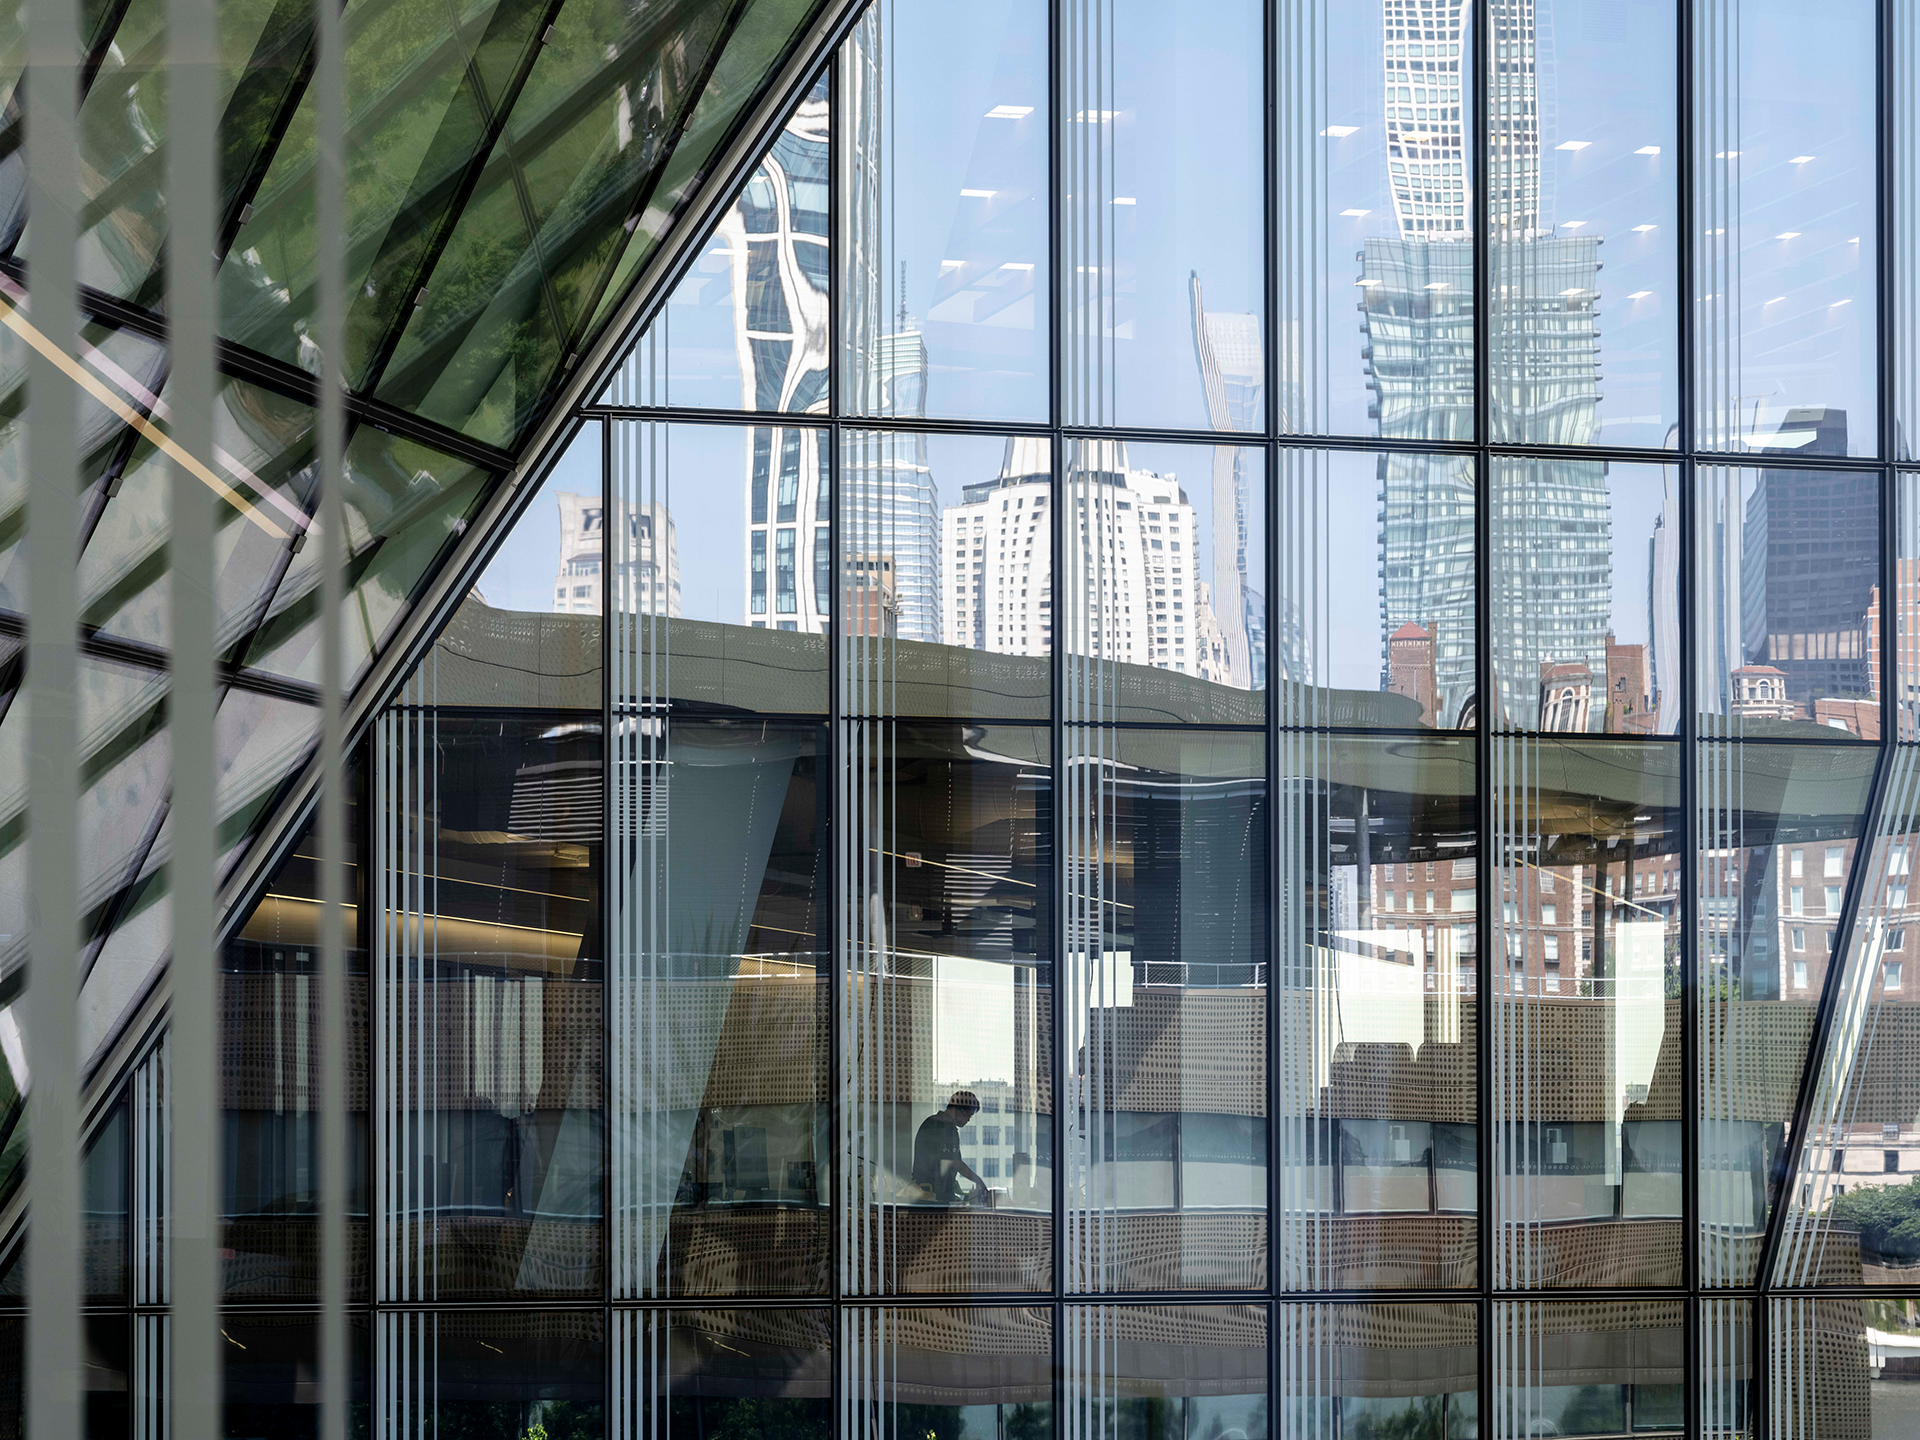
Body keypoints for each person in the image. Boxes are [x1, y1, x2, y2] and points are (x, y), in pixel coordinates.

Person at [910, 1091, 993, 1206]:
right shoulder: (945, 1127)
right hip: (933, 1197)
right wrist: (979, 1181)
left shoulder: (932, 1122)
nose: (968, 1120)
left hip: (925, 1194)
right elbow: (956, 1163)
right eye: (968, 1115)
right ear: (959, 1110)